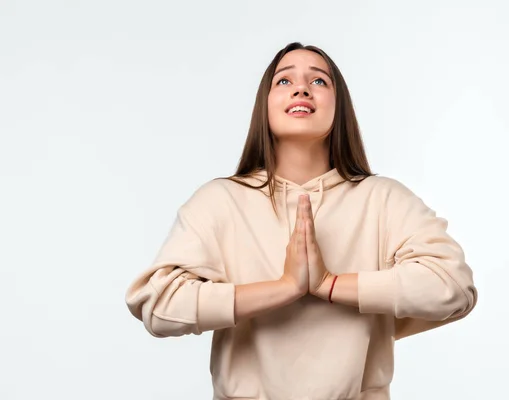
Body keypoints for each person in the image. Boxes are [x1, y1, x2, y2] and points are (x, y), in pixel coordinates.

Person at [125, 42, 478, 400]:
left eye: (320, 81)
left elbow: (454, 288)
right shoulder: (220, 200)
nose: (301, 88)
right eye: (283, 80)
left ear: (340, 108)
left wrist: (329, 284)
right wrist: (285, 287)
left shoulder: (383, 199)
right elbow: (158, 305)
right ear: (264, 104)